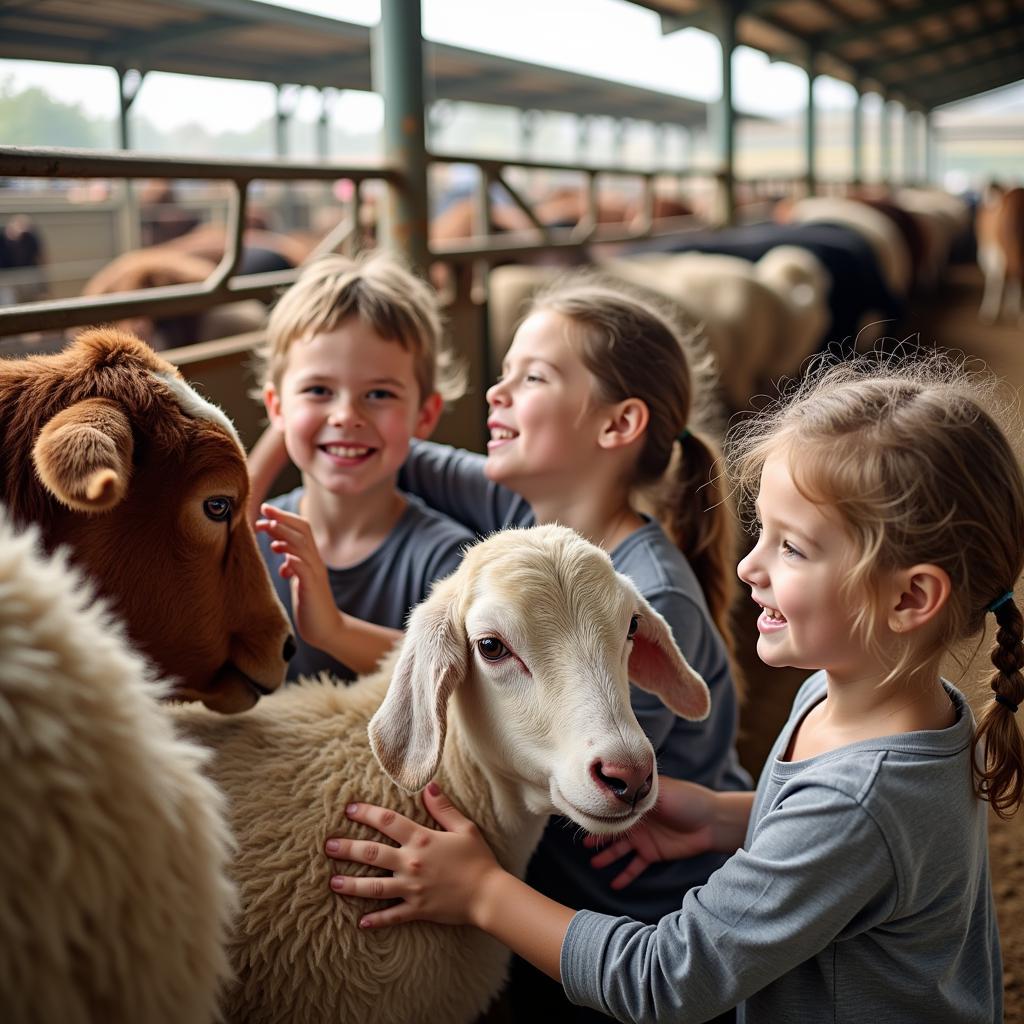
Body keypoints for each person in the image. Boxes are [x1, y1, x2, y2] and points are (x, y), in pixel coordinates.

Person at [326, 353, 1024, 1023]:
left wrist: (482, 892)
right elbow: (854, 837)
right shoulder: (876, 702)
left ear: (910, 600)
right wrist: (726, 815)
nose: (749, 567)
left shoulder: (862, 797)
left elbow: (665, 981)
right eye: (762, 534)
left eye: (792, 548)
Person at [348, 277, 747, 1019]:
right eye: (502, 372)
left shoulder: (649, 596)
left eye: (531, 377)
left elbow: (593, 771)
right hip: (558, 905)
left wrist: (335, 634)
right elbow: (389, 450)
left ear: (618, 423)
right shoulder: (522, 513)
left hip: (640, 931)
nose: (497, 393)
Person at [252, 251, 473, 682]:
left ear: (424, 416)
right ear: (277, 409)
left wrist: (334, 631)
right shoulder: (252, 540)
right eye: (318, 390)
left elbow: (471, 681)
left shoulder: (447, 560)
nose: (346, 416)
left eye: (379, 395)